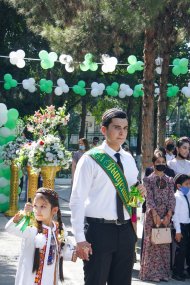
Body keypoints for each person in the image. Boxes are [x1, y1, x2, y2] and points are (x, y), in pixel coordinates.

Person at [70, 108, 146, 285]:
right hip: (99, 231)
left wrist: (140, 195)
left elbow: (132, 198)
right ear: (104, 130)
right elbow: (77, 199)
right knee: (95, 281)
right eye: (117, 127)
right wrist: (80, 238)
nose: (122, 132)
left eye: (125, 128)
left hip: (126, 231)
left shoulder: (128, 159)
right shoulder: (90, 159)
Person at [5, 188, 77, 285]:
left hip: (51, 278)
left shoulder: (58, 228)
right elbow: (10, 229)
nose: (37, 210)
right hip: (30, 280)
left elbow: (61, 249)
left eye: (43, 207)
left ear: (54, 210)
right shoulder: (30, 227)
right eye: (35, 206)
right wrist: (18, 218)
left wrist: (74, 253)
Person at [140, 151, 175, 282]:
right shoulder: (147, 180)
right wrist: (154, 214)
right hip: (151, 216)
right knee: (152, 243)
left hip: (166, 216)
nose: (161, 164)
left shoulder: (170, 180)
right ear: (153, 163)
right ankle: (151, 274)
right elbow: (148, 198)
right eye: (158, 162)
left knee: (163, 243)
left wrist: (168, 215)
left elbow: (172, 198)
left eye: (163, 162)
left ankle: (163, 274)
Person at [172, 174, 190, 281]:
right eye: (186, 184)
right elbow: (175, 216)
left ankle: (186, 270)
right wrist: (178, 231)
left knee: (187, 249)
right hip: (180, 227)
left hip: (188, 226)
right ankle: (177, 272)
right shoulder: (176, 197)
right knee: (181, 250)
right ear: (179, 186)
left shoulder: (187, 195)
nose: (188, 186)